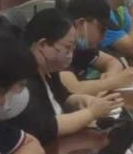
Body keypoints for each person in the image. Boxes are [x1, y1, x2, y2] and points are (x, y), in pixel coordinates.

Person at [8, 8, 126, 145]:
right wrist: (91, 113)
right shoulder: (23, 79)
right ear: (43, 44)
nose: (71, 54)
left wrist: (86, 101)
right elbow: (45, 127)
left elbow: (64, 97)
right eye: (68, 47)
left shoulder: (49, 70)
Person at [59, 0, 133, 96]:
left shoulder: (82, 47)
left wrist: (110, 76)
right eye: (101, 29)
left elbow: (112, 61)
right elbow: (71, 89)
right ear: (81, 23)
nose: (103, 37)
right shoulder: (59, 46)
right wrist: (112, 82)